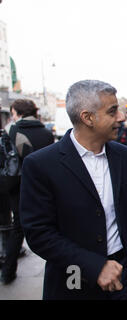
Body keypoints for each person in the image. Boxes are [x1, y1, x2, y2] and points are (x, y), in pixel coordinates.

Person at [19, 80, 127, 300]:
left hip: (125, 277)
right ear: (87, 117)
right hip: (72, 280)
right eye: (112, 112)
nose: (121, 117)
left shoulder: (126, 157)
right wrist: (95, 266)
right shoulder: (41, 165)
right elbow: (39, 234)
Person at [1, 99, 54, 285]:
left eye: (13, 113)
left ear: (18, 113)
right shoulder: (46, 133)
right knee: (49, 228)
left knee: (18, 229)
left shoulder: (11, 131)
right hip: (44, 187)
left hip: (19, 188)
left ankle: (8, 272)